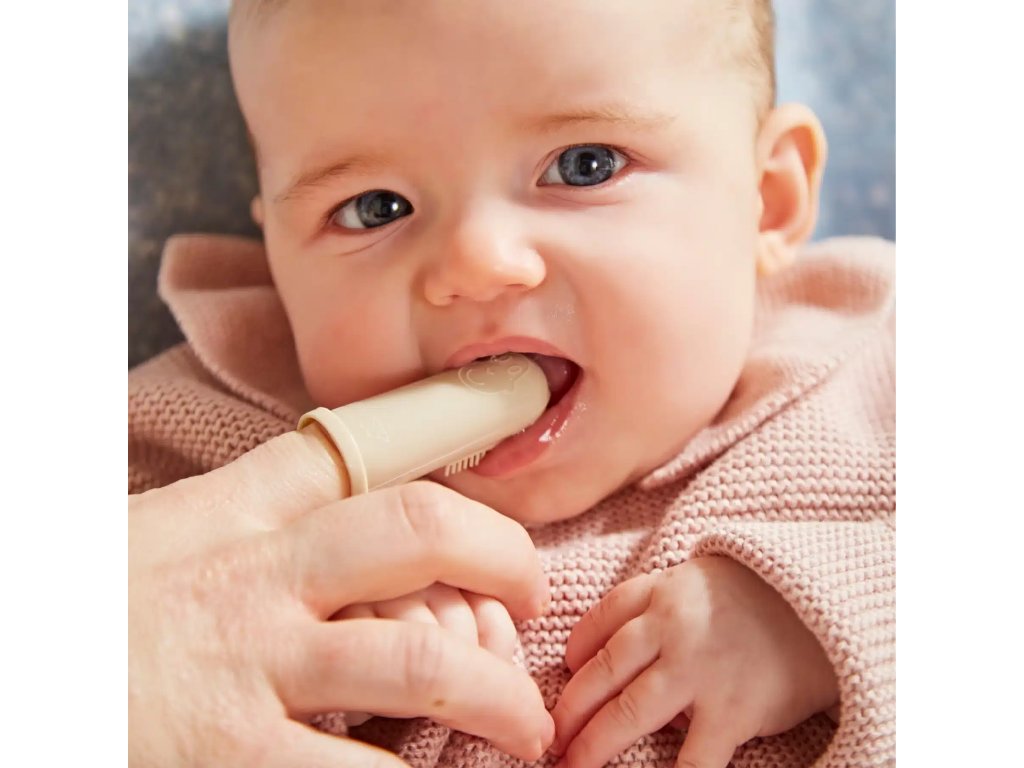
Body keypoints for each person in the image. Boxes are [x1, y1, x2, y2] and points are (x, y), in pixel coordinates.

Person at [128, 1, 895, 766]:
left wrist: (814, 621)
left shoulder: (879, 372)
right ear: (275, 257)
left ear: (769, 201)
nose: (477, 263)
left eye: (584, 165)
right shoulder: (202, 447)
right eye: (374, 209)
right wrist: (309, 623)